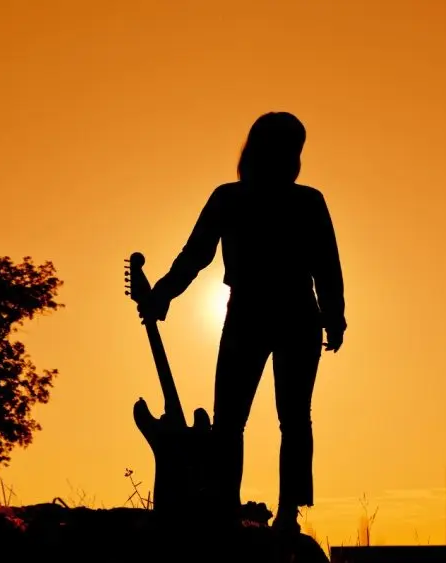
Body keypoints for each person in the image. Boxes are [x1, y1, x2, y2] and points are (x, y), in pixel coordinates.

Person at [137, 112, 346, 533]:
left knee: (252, 418)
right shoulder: (276, 200)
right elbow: (197, 254)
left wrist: (334, 315)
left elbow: (326, 264)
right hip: (278, 313)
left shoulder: (245, 198)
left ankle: (267, 509)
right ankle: (246, 507)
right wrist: (163, 293)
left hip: (269, 313)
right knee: (268, 418)